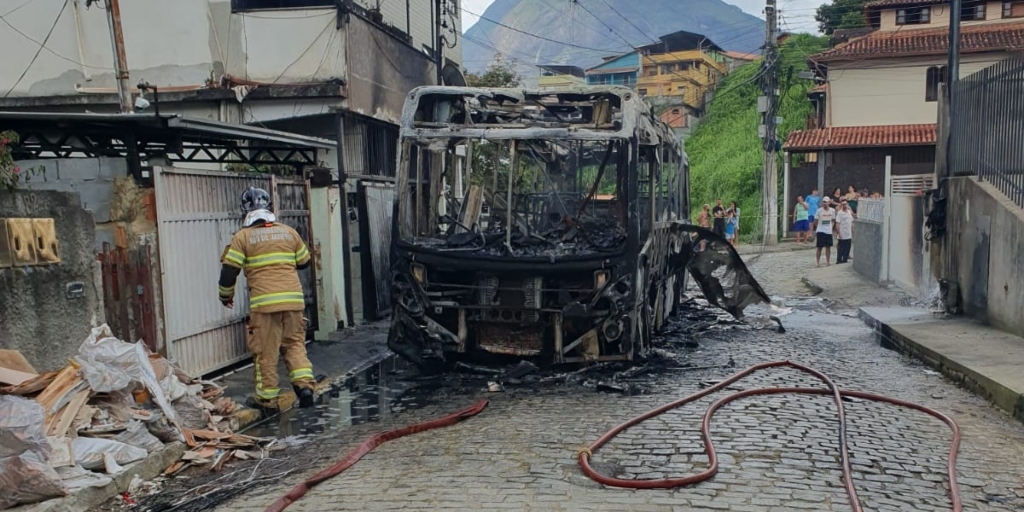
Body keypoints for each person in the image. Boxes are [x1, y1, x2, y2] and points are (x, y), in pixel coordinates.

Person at [218, 187, 316, 411]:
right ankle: (305, 387)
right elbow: (304, 261)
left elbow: (229, 271)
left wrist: (225, 296)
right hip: (293, 302)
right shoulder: (289, 232)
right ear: (269, 206)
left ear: (245, 209)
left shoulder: (243, 237)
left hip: (264, 305)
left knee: (266, 351)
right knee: (294, 344)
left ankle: (267, 400)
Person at [814, 196, 836, 267]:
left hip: (828, 231)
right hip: (821, 230)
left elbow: (833, 220)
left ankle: (828, 261)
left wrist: (831, 227)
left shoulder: (832, 211)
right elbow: (816, 221)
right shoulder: (819, 211)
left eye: (826, 202)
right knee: (819, 247)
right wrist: (819, 227)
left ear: (829, 202)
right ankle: (817, 262)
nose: (825, 203)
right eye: (823, 202)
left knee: (828, 247)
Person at [836, 199, 854, 264]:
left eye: (845, 204)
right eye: (843, 204)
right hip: (842, 232)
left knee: (848, 247)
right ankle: (839, 259)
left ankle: (845, 259)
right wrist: (838, 232)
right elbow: (837, 223)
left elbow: (851, 222)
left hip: (848, 233)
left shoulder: (849, 212)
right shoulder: (839, 213)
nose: (844, 206)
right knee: (841, 247)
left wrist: (852, 231)